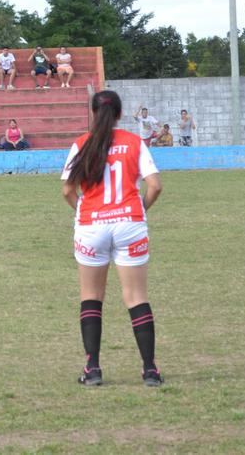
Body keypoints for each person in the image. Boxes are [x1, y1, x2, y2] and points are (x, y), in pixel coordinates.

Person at [61, 89, 164, 387]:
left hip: (92, 225)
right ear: (119, 113)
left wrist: (82, 208)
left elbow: (68, 190)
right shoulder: (134, 142)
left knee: (91, 297)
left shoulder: (81, 144)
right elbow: (155, 186)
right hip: (130, 224)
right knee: (136, 298)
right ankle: (149, 371)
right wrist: (138, 210)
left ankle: (92, 369)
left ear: (93, 113)